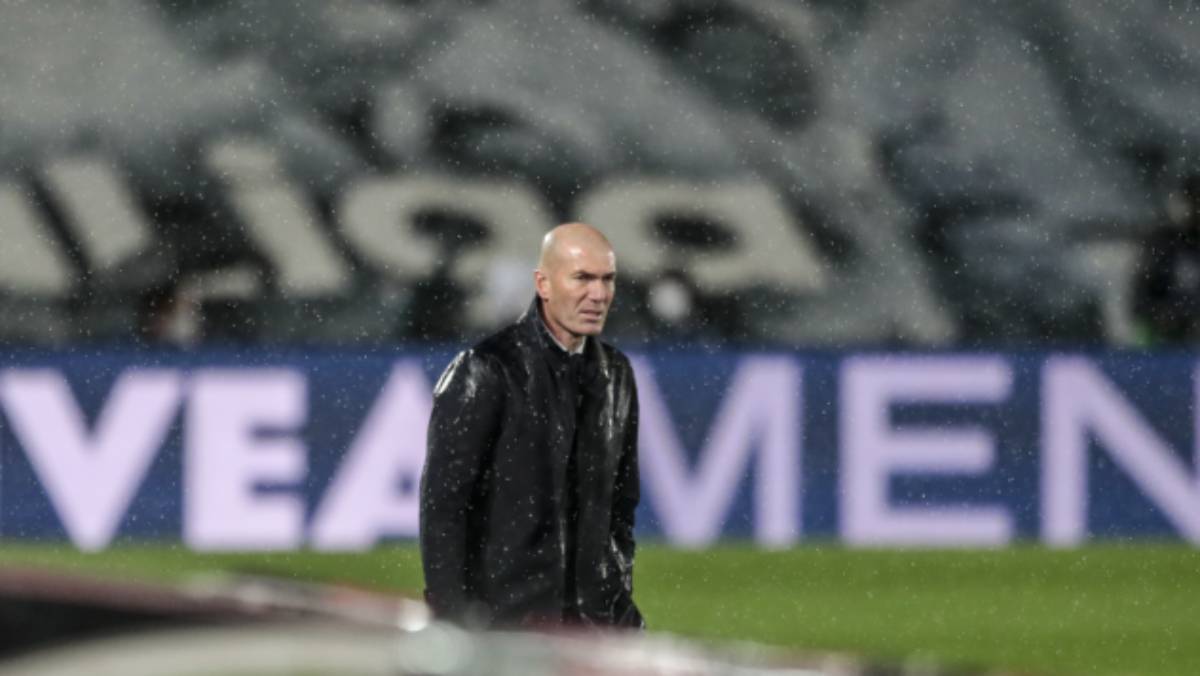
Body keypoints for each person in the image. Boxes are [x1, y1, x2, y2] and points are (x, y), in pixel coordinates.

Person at [419, 222, 644, 629]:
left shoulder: (617, 375)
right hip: (509, 629)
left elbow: (620, 508)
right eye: (582, 278)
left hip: (594, 630)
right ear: (543, 284)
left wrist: (617, 604)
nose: (599, 294)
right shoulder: (485, 370)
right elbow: (444, 512)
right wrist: (453, 621)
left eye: (607, 279)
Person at [1132, 172, 1200, 344]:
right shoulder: (1167, 242)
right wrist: (1166, 314)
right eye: (1195, 201)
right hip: (1166, 337)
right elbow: (1139, 300)